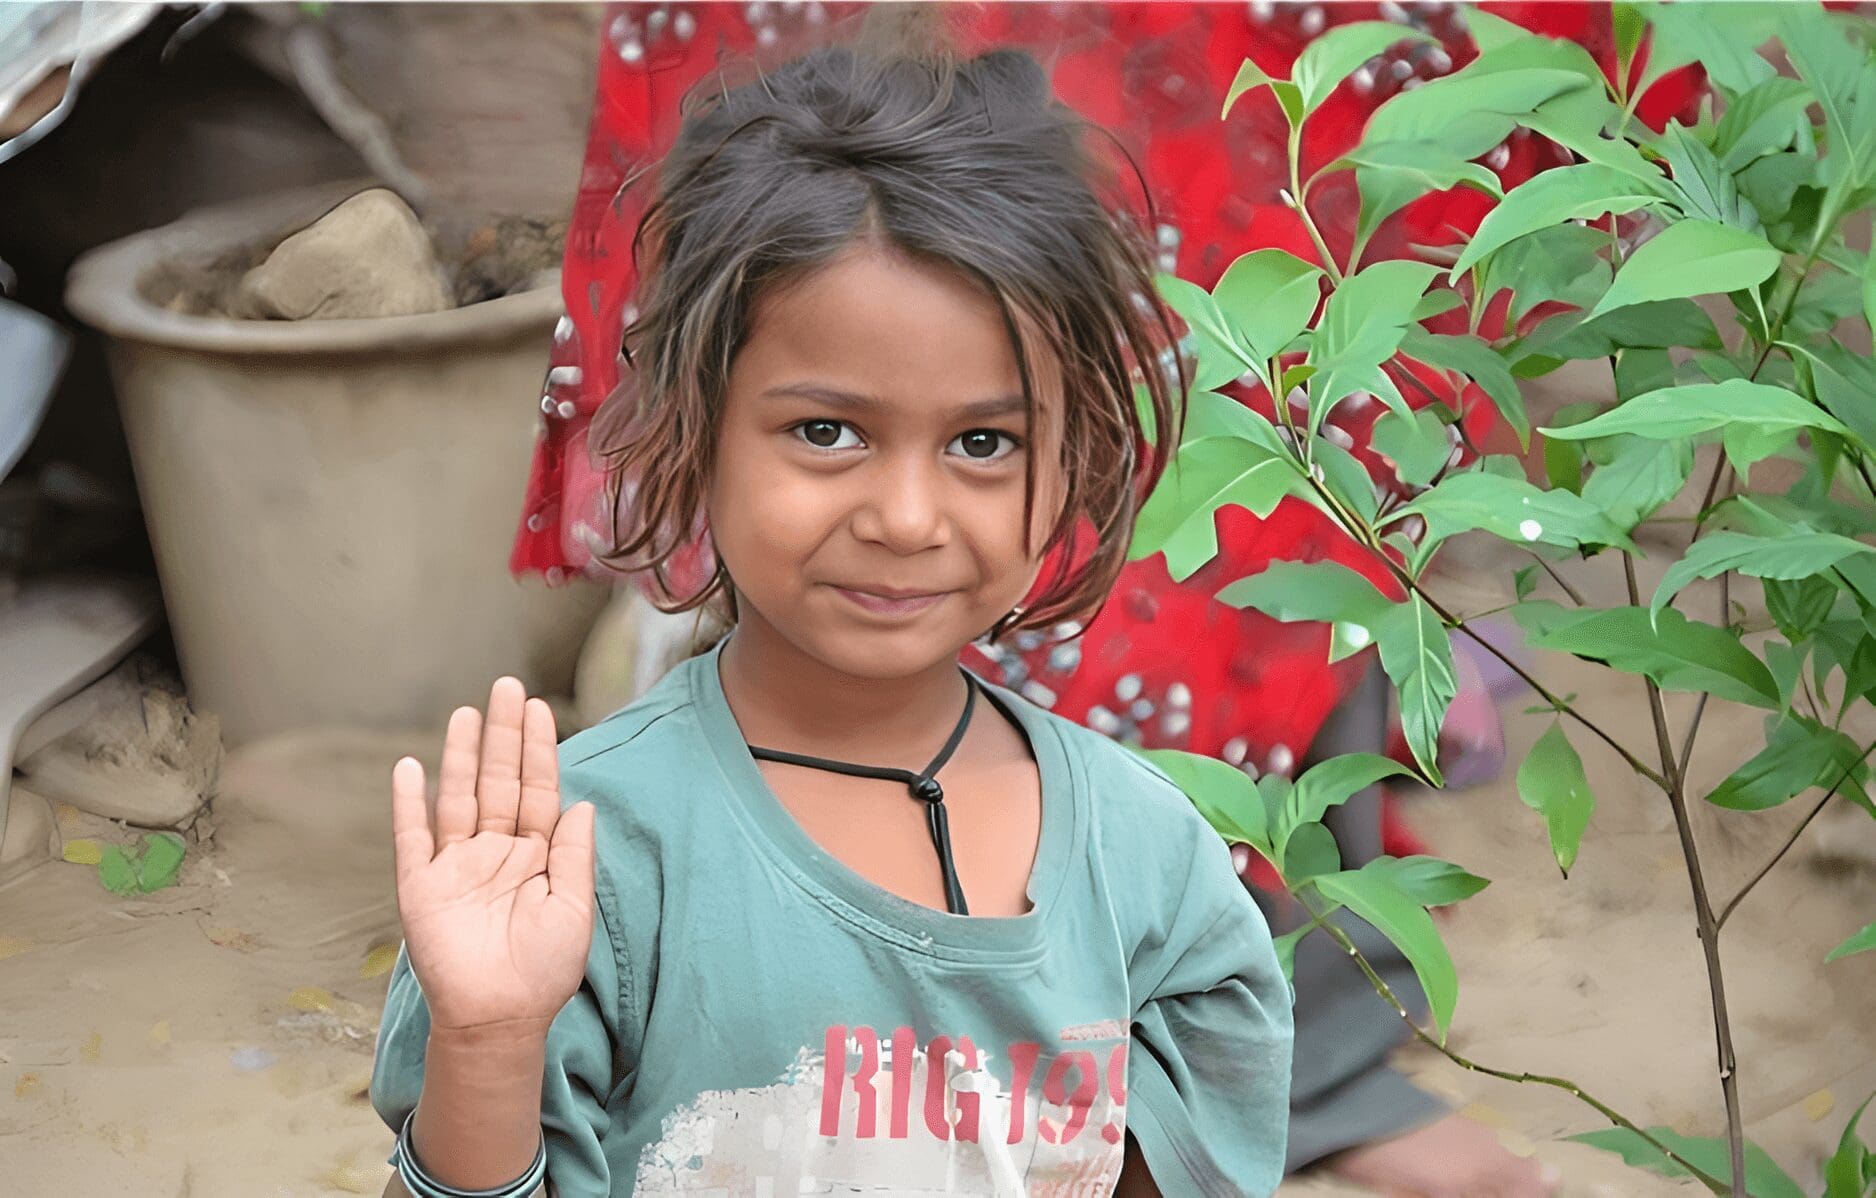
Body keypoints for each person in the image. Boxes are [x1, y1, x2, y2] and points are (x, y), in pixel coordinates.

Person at [371, 16, 1293, 1198]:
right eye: (826, 430)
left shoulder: (1147, 865)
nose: (905, 516)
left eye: (981, 441)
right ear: (694, 430)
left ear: (1075, 462)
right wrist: (490, 1043)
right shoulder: (586, 861)